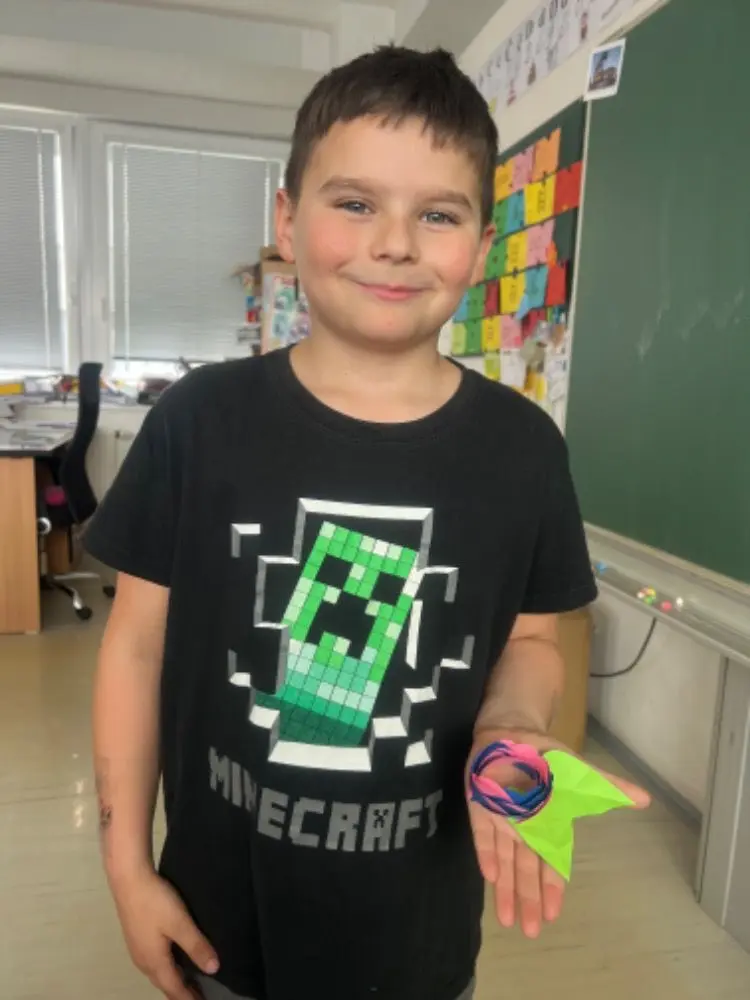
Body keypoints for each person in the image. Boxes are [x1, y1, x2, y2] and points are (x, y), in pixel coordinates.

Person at [87, 45, 649, 1000]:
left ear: (481, 241)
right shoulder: (199, 420)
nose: (394, 243)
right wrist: (126, 870)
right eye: (354, 202)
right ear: (287, 219)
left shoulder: (522, 448)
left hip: (418, 947)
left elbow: (531, 641)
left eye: (438, 214)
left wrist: (512, 724)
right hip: (221, 927)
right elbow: (135, 648)